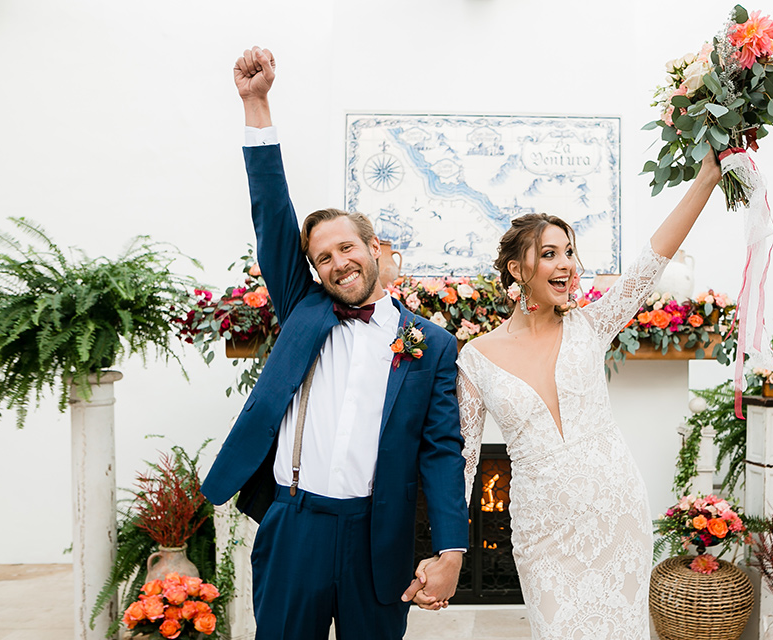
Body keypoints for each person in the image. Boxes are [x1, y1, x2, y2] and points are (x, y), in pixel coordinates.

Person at [200, 46, 468, 640]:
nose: (337, 263)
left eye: (347, 248)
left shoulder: (432, 345)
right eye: (323, 257)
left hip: (378, 536)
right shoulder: (304, 308)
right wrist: (256, 104)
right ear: (314, 271)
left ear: (375, 249)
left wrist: (451, 549)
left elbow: (442, 451)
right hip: (295, 523)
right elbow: (272, 212)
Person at [445, 158, 721, 638]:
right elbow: (465, 462)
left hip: (618, 512)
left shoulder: (591, 326)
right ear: (518, 269)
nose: (566, 264)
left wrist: (706, 180)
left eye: (569, 252)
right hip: (543, 529)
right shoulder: (476, 358)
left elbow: (652, 261)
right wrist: (449, 551)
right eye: (549, 253)